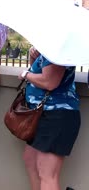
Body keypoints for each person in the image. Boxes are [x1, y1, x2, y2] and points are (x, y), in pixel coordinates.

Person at [19, 46, 80, 190]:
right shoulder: (48, 47)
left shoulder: (58, 49)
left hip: (57, 115)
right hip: (42, 114)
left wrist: (25, 74)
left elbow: (50, 82)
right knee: (31, 161)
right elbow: (40, 72)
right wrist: (34, 58)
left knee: (47, 173)